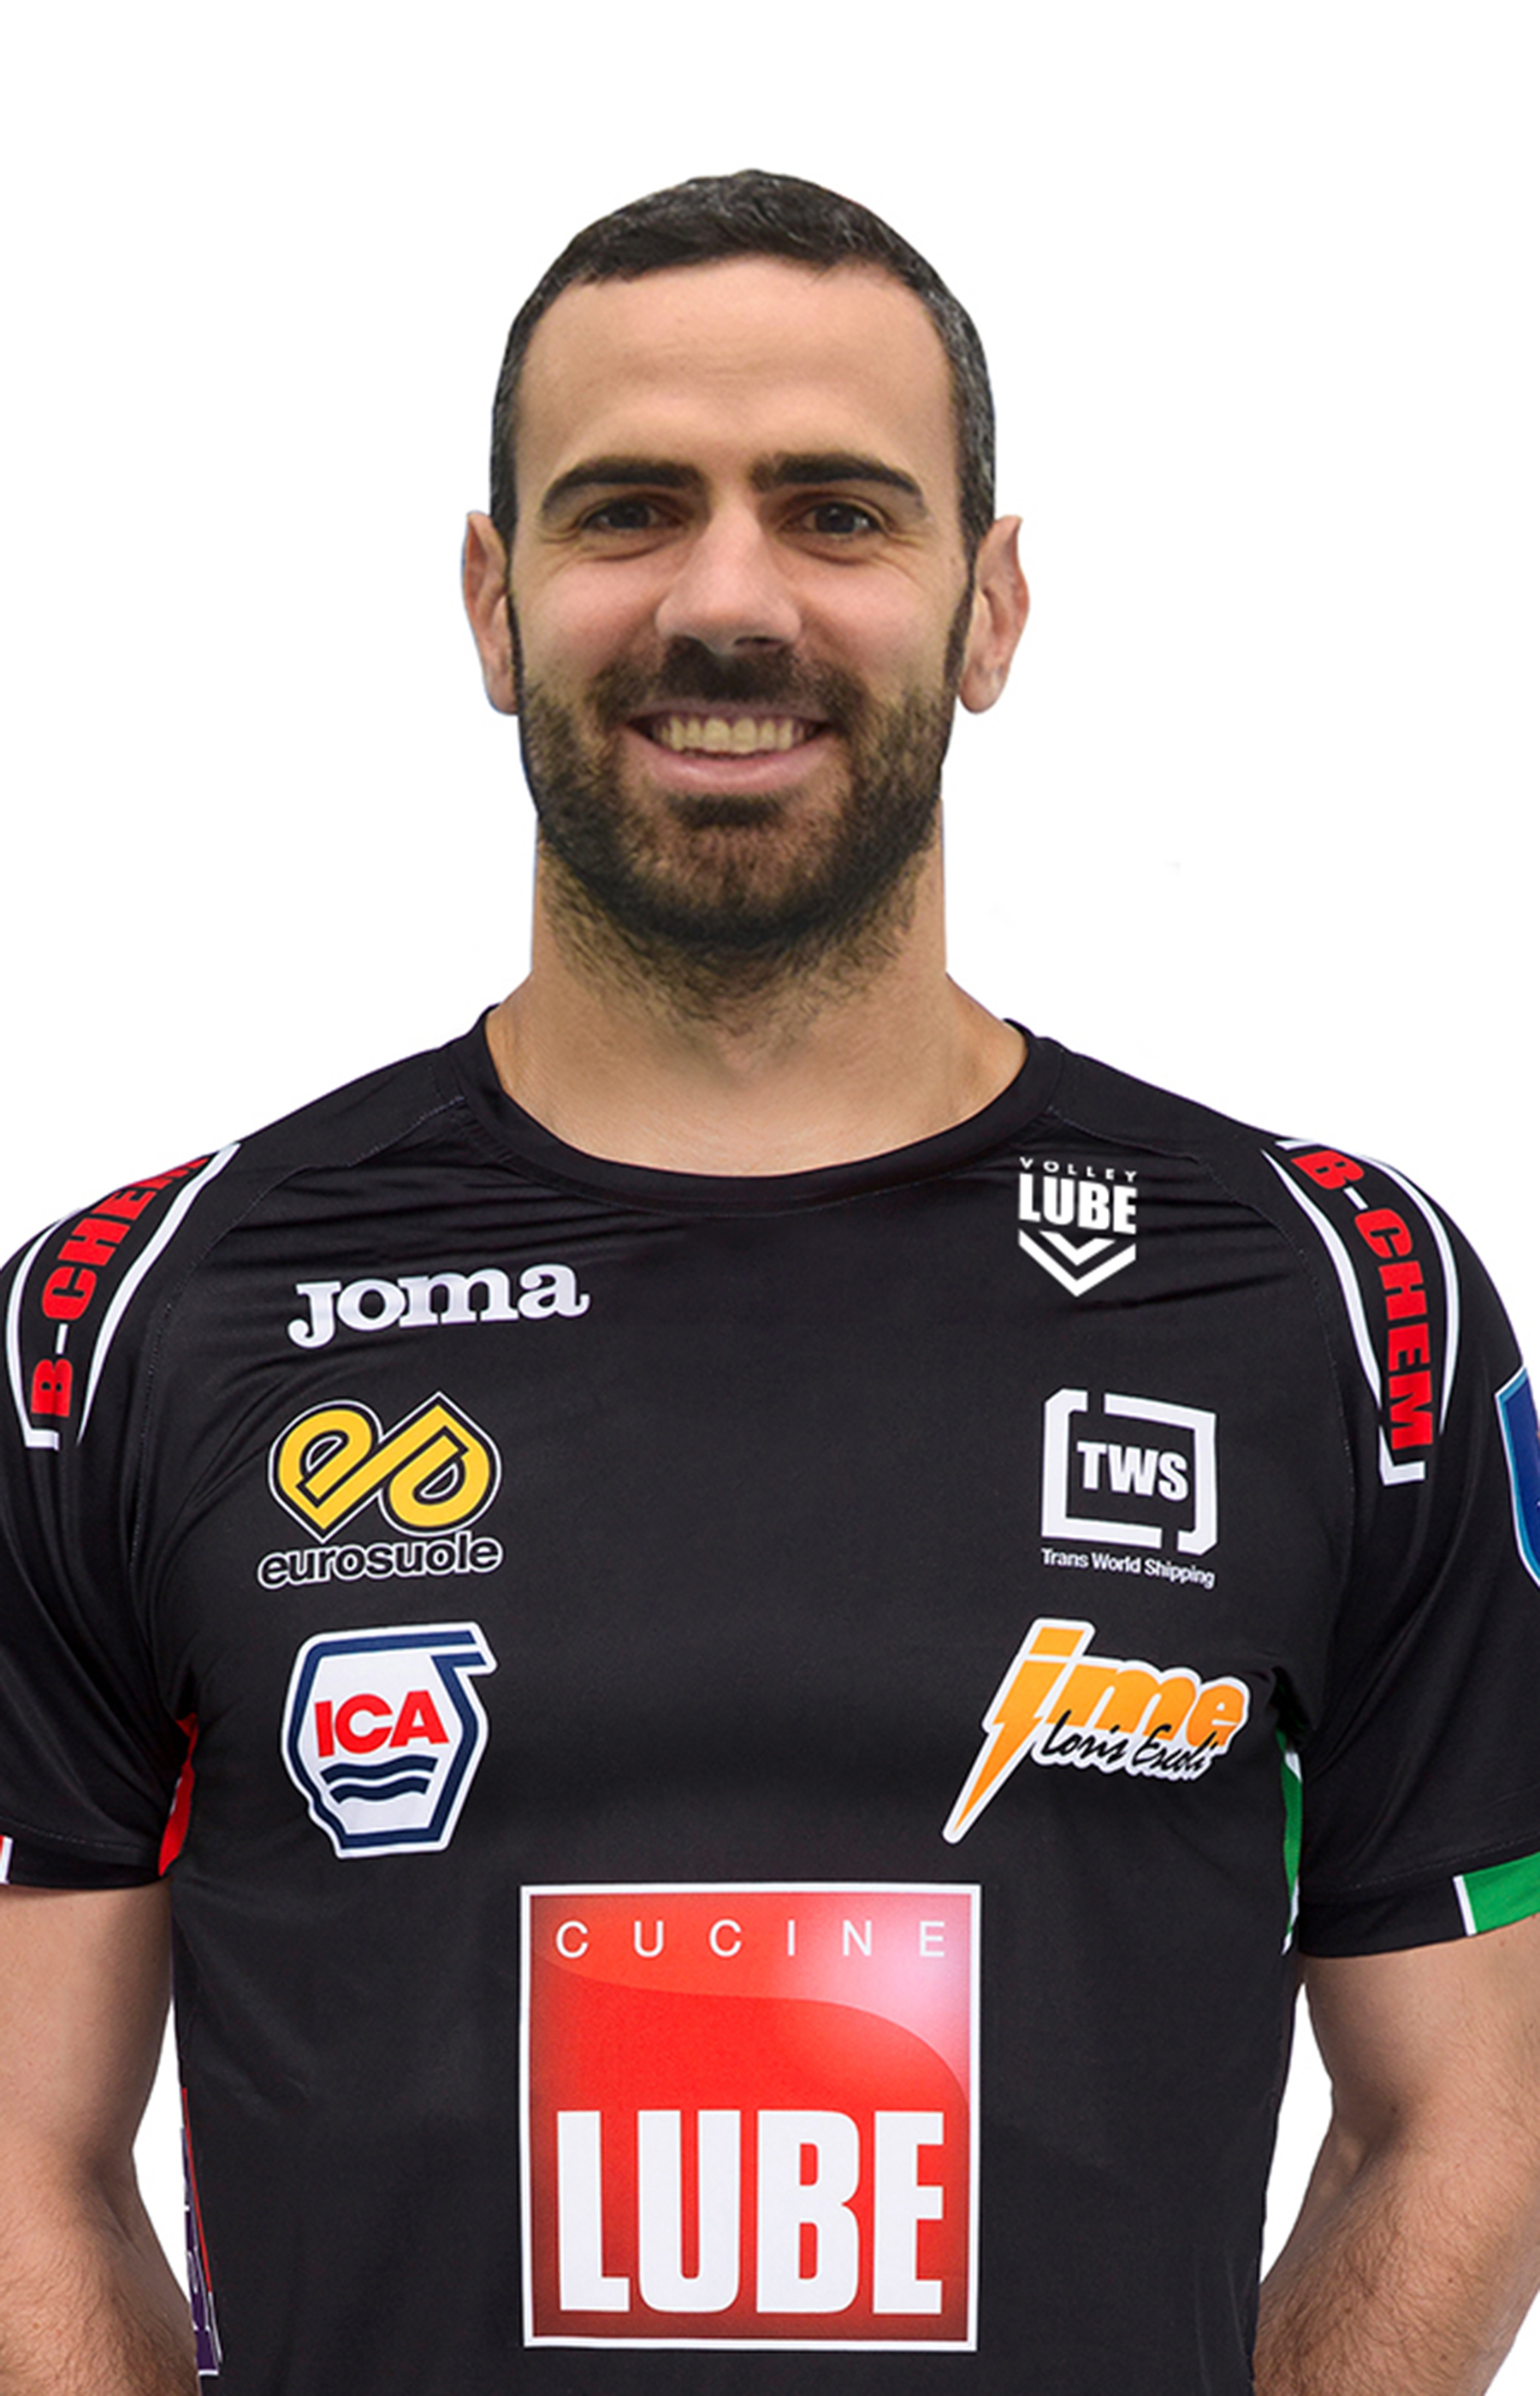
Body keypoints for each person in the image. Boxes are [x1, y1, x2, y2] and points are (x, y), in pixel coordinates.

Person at [2, 169, 1538, 2396]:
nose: (728, 601)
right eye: (630, 512)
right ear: (493, 605)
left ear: (991, 609)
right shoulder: (124, 1326)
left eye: (836, 513)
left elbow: (1466, 2117)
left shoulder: (1346, 1309)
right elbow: (28, 2163)